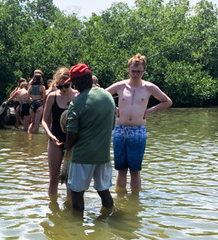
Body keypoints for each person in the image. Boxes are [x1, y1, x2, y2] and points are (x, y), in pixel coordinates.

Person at [105, 53, 172, 192]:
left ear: (144, 71)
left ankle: (134, 202)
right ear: (129, 70)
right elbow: (101, 96)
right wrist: (113, 108)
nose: (135, 74)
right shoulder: (120, 86)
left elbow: (167, 101)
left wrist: (149, 111)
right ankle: (121, 200)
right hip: (120, 129)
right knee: (121, 169)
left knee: (135, 170)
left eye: (138, 72)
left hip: (138, 130)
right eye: (133, 71)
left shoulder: (149, 87)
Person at [65, 63, 116, 212]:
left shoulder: (76, 103)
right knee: (103, 190)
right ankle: (109, 217)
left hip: (82, 156)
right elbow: (112, 125)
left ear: (79, 82)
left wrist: (66, 146)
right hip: (103, 155)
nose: (74, 87)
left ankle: (77, 228)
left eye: (74, 83)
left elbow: (71, 135)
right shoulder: (108, 97)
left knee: (77, 192)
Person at [42, 67, 78, 196]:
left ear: (71, 83)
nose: (62, 89)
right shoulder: (52, 97)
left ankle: (69, 211)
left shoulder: (78, 96)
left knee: (71, 181)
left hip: (73, 142)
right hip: (55, 139)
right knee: (54, 180)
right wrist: (50, 135)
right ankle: (53, 211)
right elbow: (44, 121)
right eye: (59, 86)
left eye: (66, 86)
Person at [28, 69, 46, 134]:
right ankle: (35, 138)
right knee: (37, 123)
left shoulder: (30, 87)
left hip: (32, 104)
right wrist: (44, 107)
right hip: (39, 104)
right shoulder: (42, 87)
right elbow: (44, 98)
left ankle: (29, 136)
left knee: (32, 122)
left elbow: (28, 97)